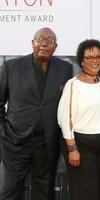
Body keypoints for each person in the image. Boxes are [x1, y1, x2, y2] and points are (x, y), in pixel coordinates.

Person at [0, 27, 73, 200]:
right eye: (40, 39)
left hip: (47, 143)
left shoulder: (65, 69)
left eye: (50, 41)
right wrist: (3, 131)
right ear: (32, 43)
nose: (44, 44)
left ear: (55, 47)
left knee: (44, 191)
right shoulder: (12, 67)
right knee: (11, 189)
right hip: (15, 141)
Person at [57, 39, 100, 200]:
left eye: (98, 57)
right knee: (85, 191)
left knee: (99, 189)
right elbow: (64, 118)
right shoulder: (73, 84)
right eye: (89, 57)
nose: (94, 60)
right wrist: (72, 149)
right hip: (81, 145)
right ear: (82, 61)